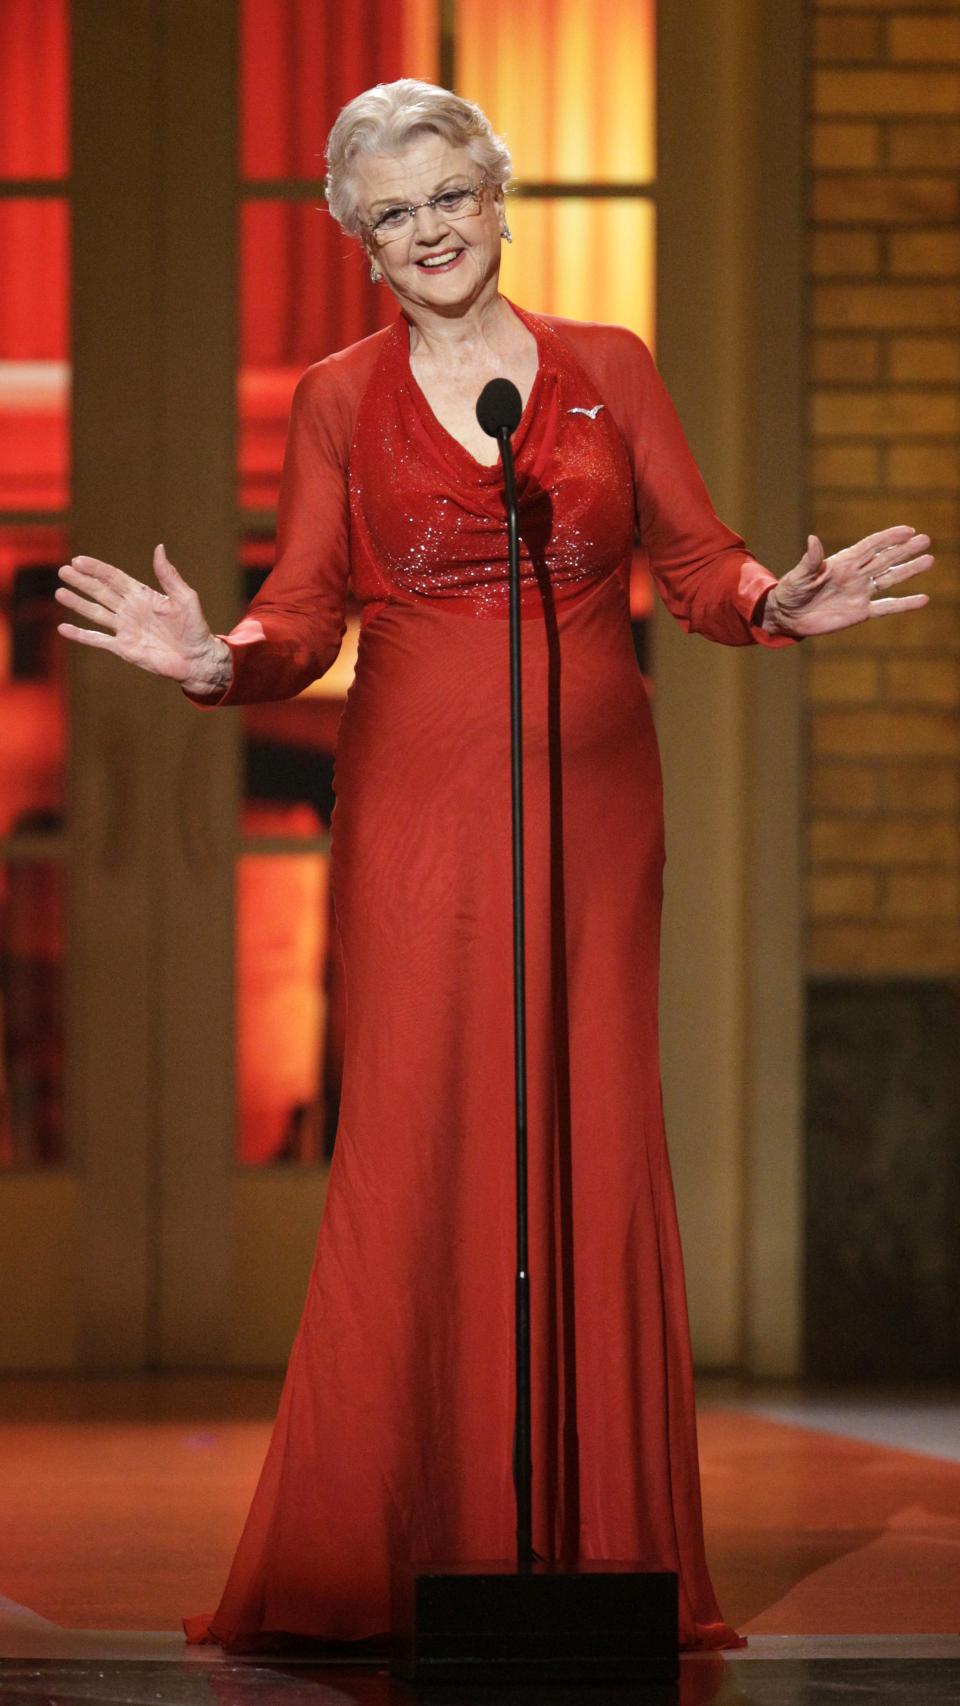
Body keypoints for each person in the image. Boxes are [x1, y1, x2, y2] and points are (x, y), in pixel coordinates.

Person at [55, 79, 934, 1654]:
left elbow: (698, 557)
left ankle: (595, 1544)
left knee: (586, 1135)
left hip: (600, 804)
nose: (431, 231)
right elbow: (308, 609)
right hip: (419, 807)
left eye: (451, 194)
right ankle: (387, 1541)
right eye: (394, 213)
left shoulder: (607, 371)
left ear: (498, 194)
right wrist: (217, 660)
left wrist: (776, 604)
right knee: (424, 1131)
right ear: (358, 241)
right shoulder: (338, 396)